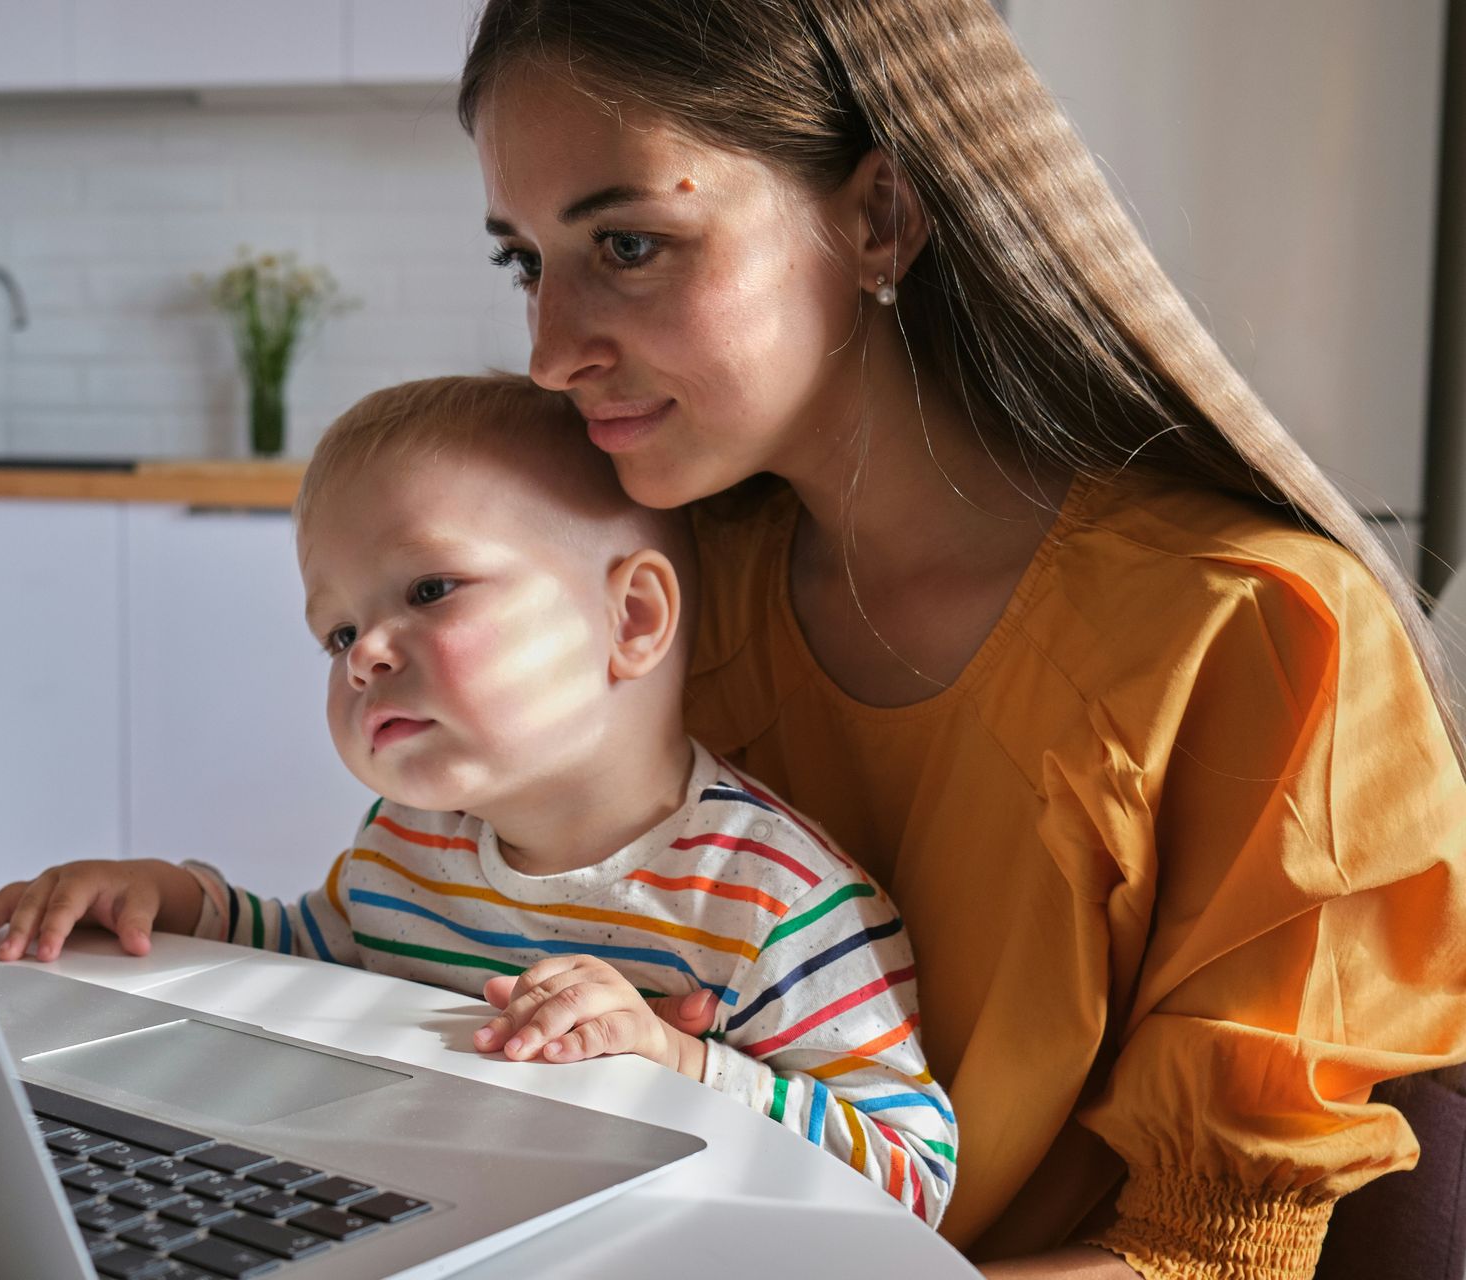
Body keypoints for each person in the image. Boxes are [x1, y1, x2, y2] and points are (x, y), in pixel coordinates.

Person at [454, 1, 1466, 1278]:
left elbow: (1218, 1255)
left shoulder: (1255, 632)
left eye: (631, 243)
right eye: (524, 261)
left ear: (879, 217)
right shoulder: (671, 591)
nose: (548, 349)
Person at [0, 373, 959, 1228]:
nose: (366, 655)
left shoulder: (772, 896)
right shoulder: (407, 843)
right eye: (337, 631)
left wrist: (677, 1059)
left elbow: (917, 1176)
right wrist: (175, 900)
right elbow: (330, 957)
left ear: (634, 616)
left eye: (430, 589)